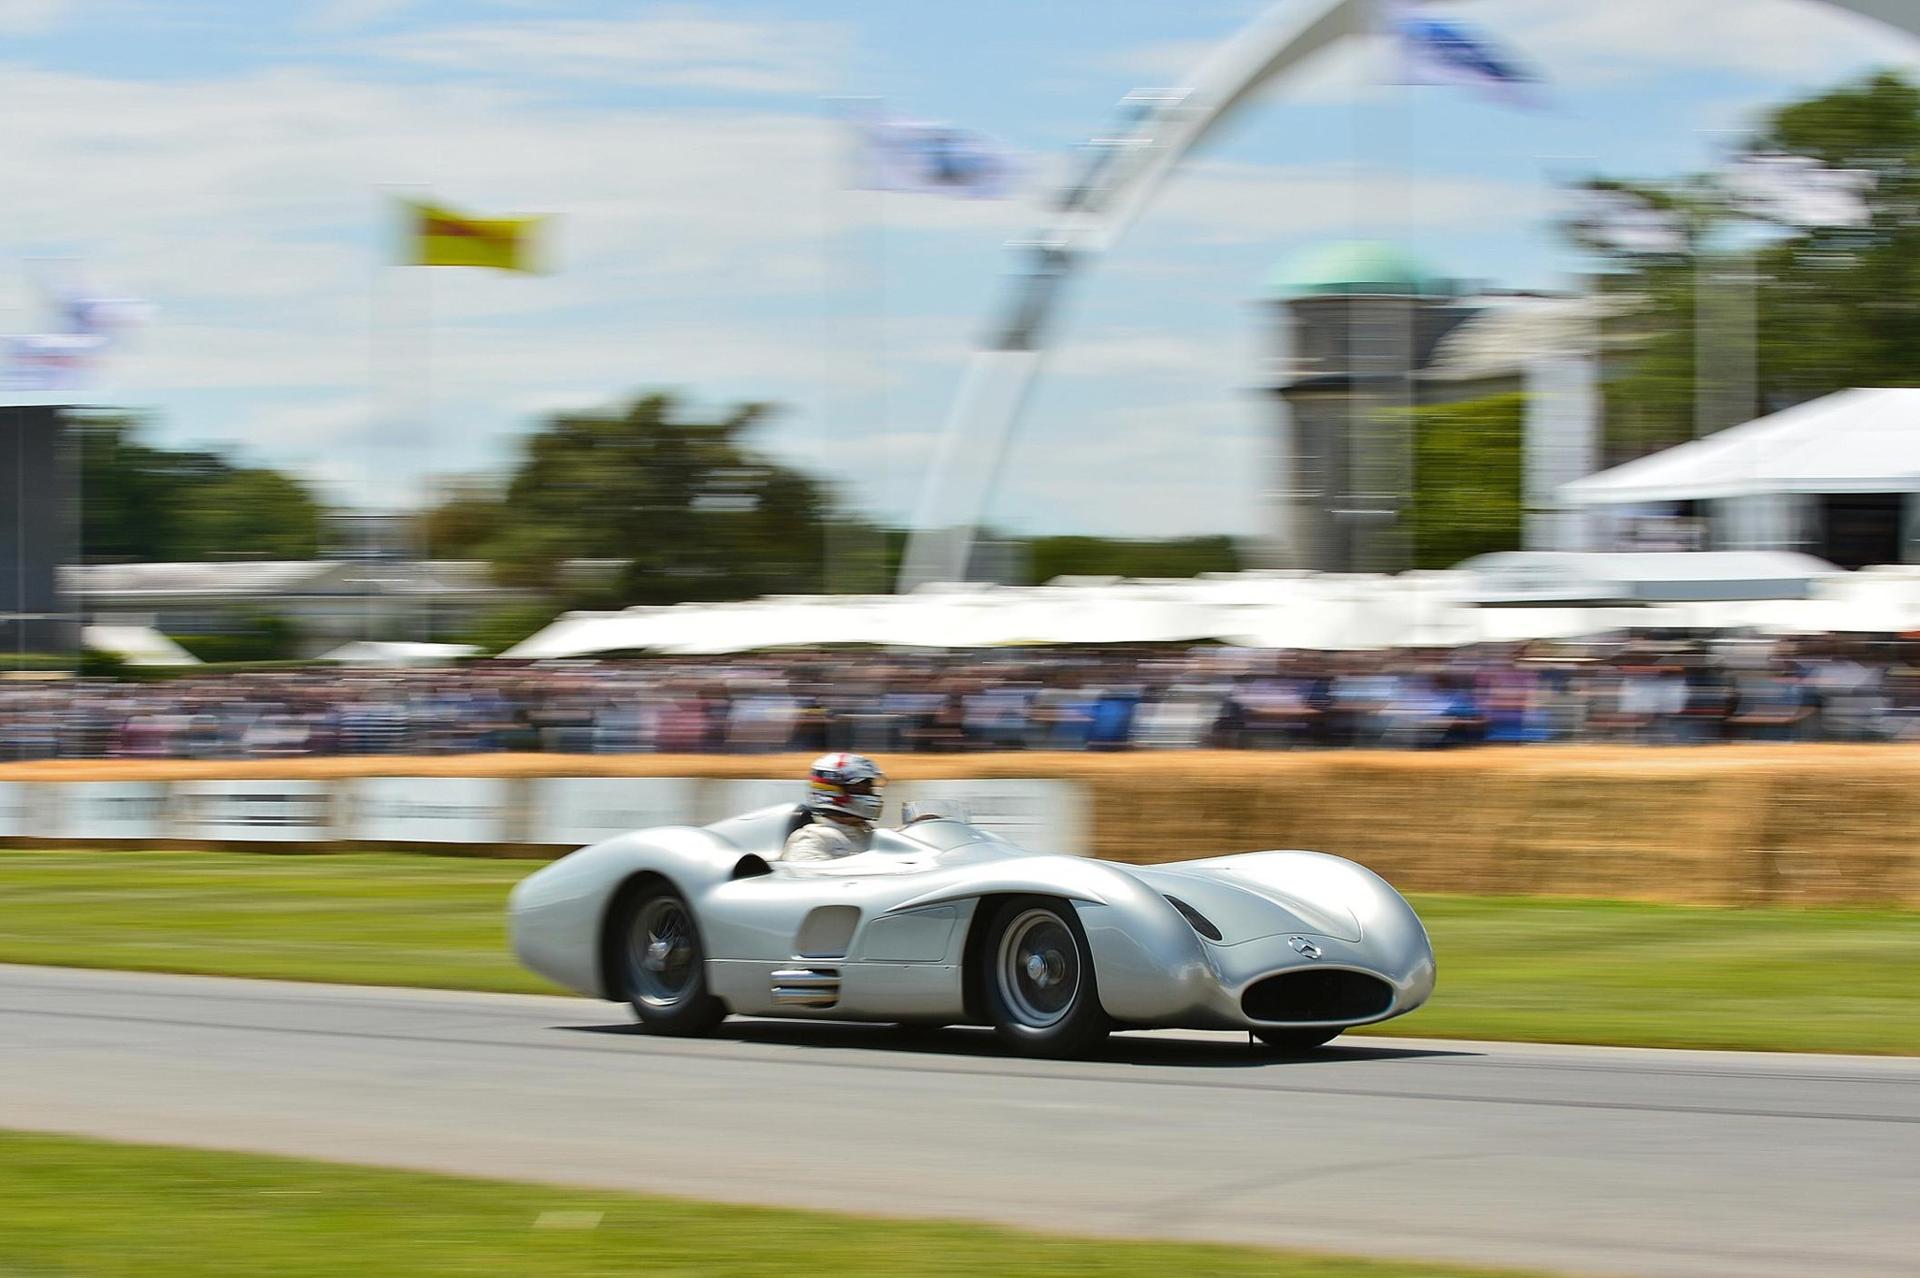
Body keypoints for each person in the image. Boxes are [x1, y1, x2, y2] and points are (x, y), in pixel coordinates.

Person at [782, 752, 886, 861]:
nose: (869, 793)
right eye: (860, 788)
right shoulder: (811, 840)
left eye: (869, 788)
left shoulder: (869, 834)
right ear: (833, 790)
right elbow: (804, 871)